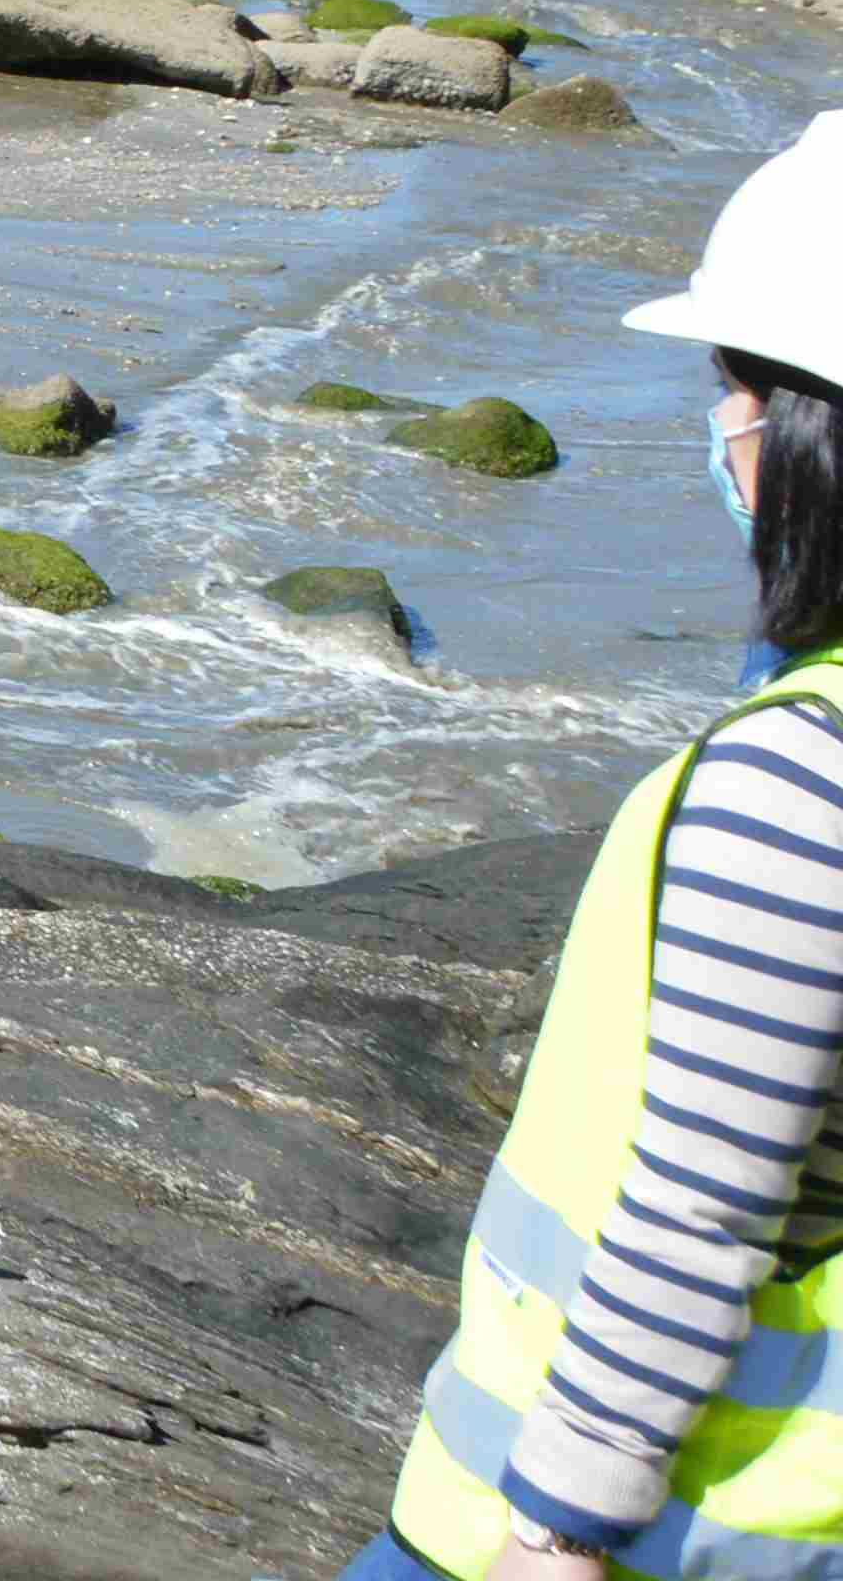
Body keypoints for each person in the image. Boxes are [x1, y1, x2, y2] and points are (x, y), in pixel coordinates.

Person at [372, 117, 843, 1581]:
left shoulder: (799, 784)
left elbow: (699, 1207)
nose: (720, 428)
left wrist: (559, 1532)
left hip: (651, 1528)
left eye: (733, 389)